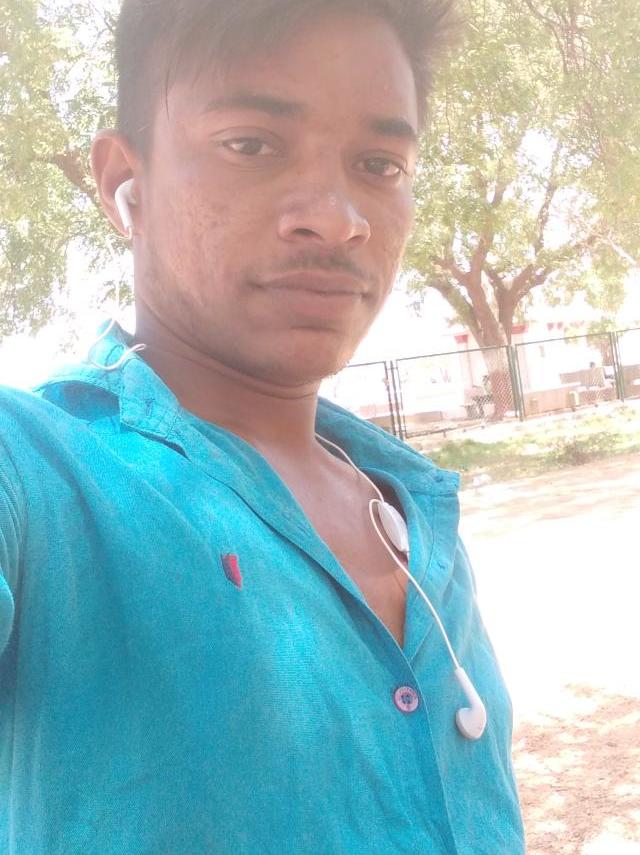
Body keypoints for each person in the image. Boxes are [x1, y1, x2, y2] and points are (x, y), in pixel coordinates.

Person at [0, 1, 525, 852]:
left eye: (379, 163)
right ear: (124, 181)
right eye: (252, 144)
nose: (338, 217)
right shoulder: (42, 474)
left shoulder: (410, 509)